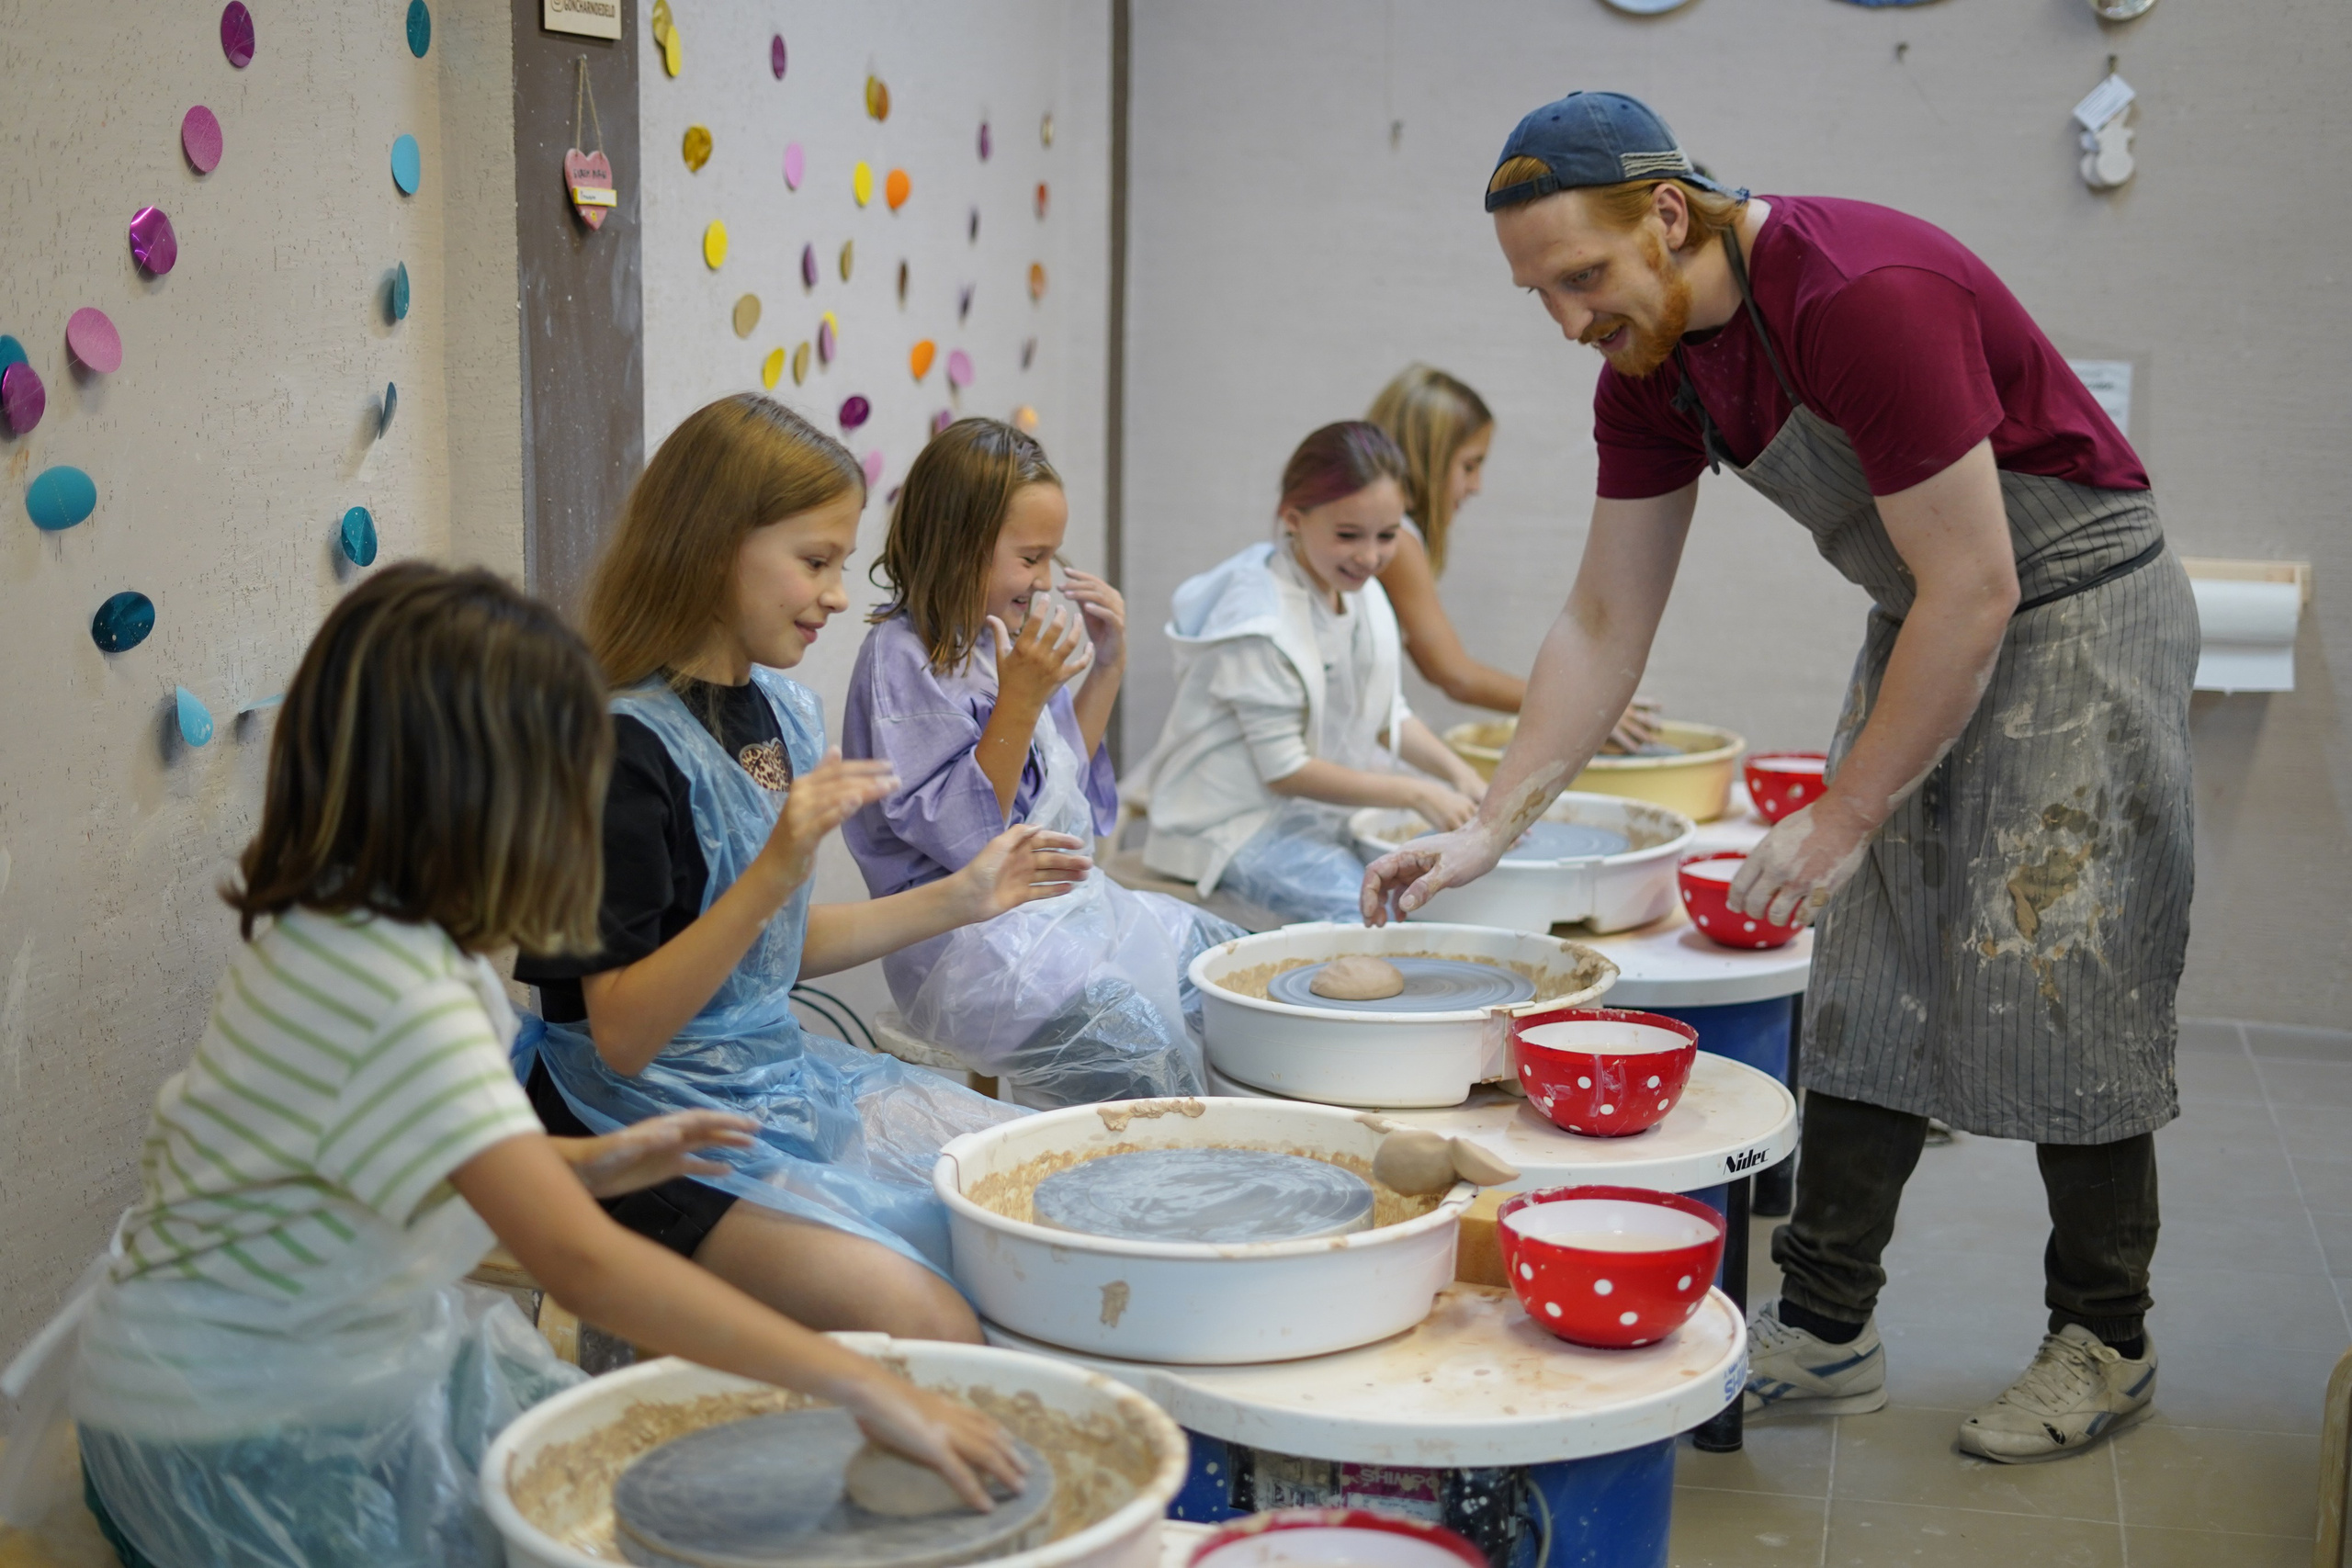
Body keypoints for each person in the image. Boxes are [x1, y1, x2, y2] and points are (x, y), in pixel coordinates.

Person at [1363, 92, 2192, 1463]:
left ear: (1668, 214)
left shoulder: (1859, 294)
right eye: (1539, 293)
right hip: (1929, 610)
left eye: (1581, 276)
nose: (1567, 319)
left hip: (2074, 602)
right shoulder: (1651, 368)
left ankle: (2106, 1335)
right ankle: (1825, 1323)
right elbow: (1602, 622)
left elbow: (1980, 584)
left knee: (2065, 967)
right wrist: (1488, 829)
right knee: (1864, 965)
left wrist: (1846, 810)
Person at [56, 564, 1027, 1568]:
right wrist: (865, 1384)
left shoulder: (340, 922)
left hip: (294, 1355)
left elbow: (384, 1153)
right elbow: (584, 1266)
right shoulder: (396, 991)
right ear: (476, 797)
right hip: (233, 1430)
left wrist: (592, 1163)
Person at [514, 396, 1091, 1345]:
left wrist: (962, 896)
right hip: (634, 1126)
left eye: (841, 563)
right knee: (927, 1315)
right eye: (815, 562)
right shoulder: (610, 750)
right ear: (711, 547)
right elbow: (620, 1036)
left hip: (763, 1080)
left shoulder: (780, 708)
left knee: (1033, 1197)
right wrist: (773, 872)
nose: (838, 596)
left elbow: (770, 950)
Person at [841, 418, 1238, 1107]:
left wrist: (1106, 665)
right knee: (1141, 1054)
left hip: (1055, 912)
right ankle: (1167, 1173)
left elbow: (1060, 787)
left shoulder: (1002, 633)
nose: (1046, 579)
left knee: (1227, 971)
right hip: (964, 947)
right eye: (1031, 558)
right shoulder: (902, 657)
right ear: (958, 546)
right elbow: (968, 840)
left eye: (1052, 557)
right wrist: (1022, 697)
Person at [1136, 421, 1490, 926]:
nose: (1370, 556)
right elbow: (1286, 770)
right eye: (1348, 535)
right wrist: (1416, 791)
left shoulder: (1357, 590)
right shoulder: (1257, 618)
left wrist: (1459, 775)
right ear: (1293, 519)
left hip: (1309, 812)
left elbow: (1385, 713)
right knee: (1367, 910)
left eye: (1387, 536)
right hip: (1229, 826)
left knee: (1443, 875)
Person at [1368, 366, 1657, 750]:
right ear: (1427, 458)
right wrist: (1577, 706)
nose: (1476, 486)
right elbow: (1455, 675)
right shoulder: (1395, 542)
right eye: (1469, 465)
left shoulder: (1398, 539)